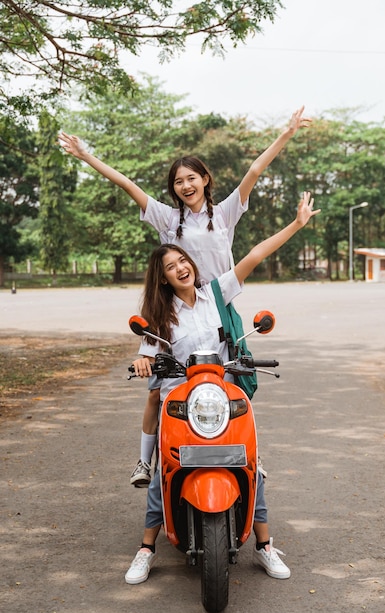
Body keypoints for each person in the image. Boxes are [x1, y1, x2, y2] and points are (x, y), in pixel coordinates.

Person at [58, 107, 311, 487]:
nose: (185, 185)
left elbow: (254, 174)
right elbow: (128, 185)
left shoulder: (224, 213)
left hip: (217, 304)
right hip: (175, 308)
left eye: (191, 178)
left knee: (236, 382)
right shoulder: (166, 218)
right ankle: (145, 463)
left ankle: (243, 453)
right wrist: (86, 155)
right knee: (157, 390)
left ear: (205, 179)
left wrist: (287, 133)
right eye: (178, 181)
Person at [125, 191, 320, 585]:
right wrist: (143, 361)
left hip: (221, 396)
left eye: (183, 260)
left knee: (251, 464)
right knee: (167, 467)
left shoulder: (217, 292)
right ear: (161, 277)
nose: (180, 268)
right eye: (170, 266)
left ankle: (264, 545)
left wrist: (298, 225)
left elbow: (255, 255)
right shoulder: (158, 315)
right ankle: (146, 548)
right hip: (180, 399)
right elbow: (145, 352)